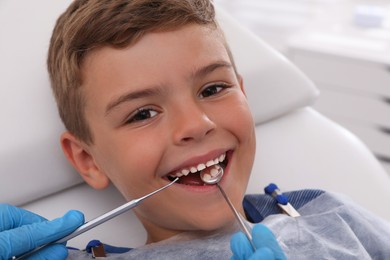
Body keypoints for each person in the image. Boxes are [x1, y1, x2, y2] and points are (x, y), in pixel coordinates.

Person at [1, 0, 389, 259]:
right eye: (142, 114)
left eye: (213, 89)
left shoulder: (328, 216)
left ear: (244, 93)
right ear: (88, 159)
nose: (196, 125)